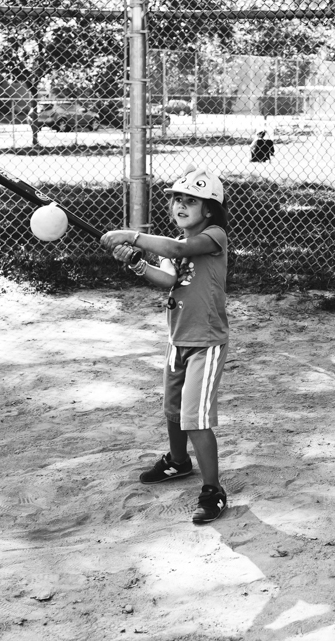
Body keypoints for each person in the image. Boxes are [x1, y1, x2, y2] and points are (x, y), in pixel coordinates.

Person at [100, 166, 230, 524]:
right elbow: (167, 280)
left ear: (209, 210)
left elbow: (178, 247)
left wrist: (132, 236)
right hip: (178, 341)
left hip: (206, 343)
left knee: (195, 419)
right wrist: (138, 265)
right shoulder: (172, 244)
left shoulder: (213, 236)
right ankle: (178, 462)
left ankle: (213, 490)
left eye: (192, 201)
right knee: (173, 411)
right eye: (177, 199)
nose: (181, 205)